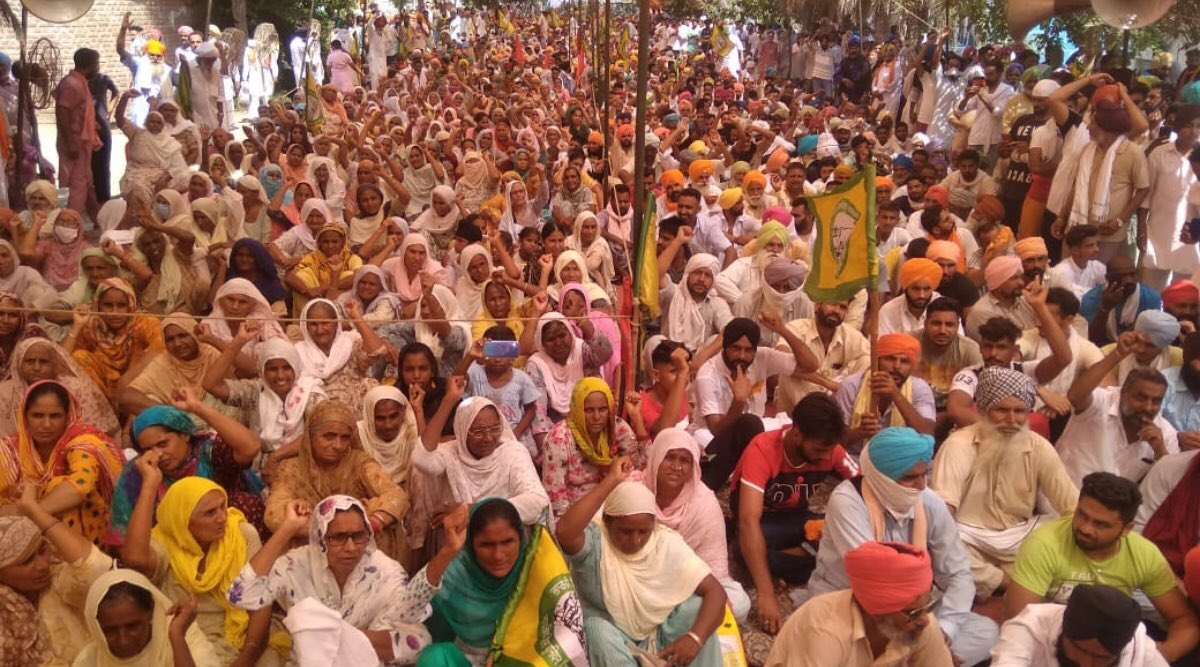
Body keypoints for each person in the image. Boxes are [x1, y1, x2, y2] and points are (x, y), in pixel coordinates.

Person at [231, 496, 466, 664]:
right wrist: (287, 529)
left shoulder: (384, 569)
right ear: (321, 537)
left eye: (358, 536)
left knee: (417, 638)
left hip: (366, 660)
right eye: (339, 537)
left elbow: (408, 620)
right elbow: (242, 595)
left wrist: (341, 636)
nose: (351, 547)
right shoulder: (296, 565)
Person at [1003, 472, 1199, 662]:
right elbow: (1019, 618)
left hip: (1113, 648)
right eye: (1082, 515)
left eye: (1101, 524)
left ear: (1126, 529)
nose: (1086, 528)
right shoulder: (1044, 542)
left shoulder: (1145, 554)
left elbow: (1184, 620)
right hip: (1052, 644)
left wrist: (1159, 655)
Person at [557, 462, 728, 667]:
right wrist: (611, 481)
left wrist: (695, 638)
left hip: (659, 640)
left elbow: (716, 591)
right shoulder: (595, 544)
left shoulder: (665, 542)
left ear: (653, 526)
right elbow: (565, 532)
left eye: (643, 532)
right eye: (625, 531)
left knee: (697, 607)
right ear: (607, 522)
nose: (635, 540)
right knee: (595, 629)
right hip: (614, 644)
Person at [933, 367, 1079, 600]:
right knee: (939, 540)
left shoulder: (1038, 446)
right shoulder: (958, 445)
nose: (1012, 420)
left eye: (1020, 411)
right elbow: (943, 514)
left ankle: (1022, 580)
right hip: (969, 539)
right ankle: (1004, 581)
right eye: (1002, 410)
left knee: (1068, 526)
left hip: (1020, 539)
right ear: (983, 409)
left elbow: (1071, 505)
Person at [120, 476, 287, 666]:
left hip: (242, 637)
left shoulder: (240, 535)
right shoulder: (165, 543)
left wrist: (244, 661)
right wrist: (149, 486)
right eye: (209, 513)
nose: (222, 517)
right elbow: (133, 558)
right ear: (184, 521)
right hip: (186, 639)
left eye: (222, 506)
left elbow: (260, 601)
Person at [732, 393, 857, 633]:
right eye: (819, 449)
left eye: (829, 450)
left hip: (797, 520)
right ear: (797, 433)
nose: (825, 457)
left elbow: (863, 486)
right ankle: (792, 565)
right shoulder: (763, 448)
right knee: (741, 547)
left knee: (841, 532)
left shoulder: (831, 450)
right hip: (763, 522)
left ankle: (781, 561)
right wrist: (766, 593)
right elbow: (748, 520)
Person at [420, 498, 588, 667]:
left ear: (520, 538)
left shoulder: (536, 569)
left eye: (507, 542)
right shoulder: (454, 576)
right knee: (433, 657)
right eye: (486, 545)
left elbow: (561, 635)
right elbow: (431, 629)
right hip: (469, 660)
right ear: (471, 544)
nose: (498, 555)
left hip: (526, 660)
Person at [106, 395, 265, 547]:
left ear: (185, 435)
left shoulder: (208, 451)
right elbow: (127, 545)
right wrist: (149, 484)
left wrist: (197, 407)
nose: (158, 455)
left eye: (163, 444)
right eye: (147, 449)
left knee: (245, 504)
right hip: (174, 550)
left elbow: (250, 447)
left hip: (223, 536)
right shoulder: (139, 472)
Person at [765, 541, 955, 666]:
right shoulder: (824, 630)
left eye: (929, 606)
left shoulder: (919, 621)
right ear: (875, 610)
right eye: (914, 613)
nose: (925, 620)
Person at [264, 400, 409, 561]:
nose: (338, 445)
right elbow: (273, 516)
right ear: (310, 436)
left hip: (355, 546)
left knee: (384, 531)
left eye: (345, 438)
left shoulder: (357, 462)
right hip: (309, 548)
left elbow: (397, 495)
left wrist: (374, 520)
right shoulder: (291, 468)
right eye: (329, 436)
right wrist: (341, 523)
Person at [644, 428, 751, 622]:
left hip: (687, 580)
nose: (676, 467)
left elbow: (712, 564)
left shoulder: (704, 502)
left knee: (740, 603)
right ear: (656, 457)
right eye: (670, 457)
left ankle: (674, 613)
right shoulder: (635, 487)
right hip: (640, 575)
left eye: (684, 461)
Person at [0, 379, 124, 544]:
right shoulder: (9, 450)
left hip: (85, 534)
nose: (46, 424)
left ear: (67, 416)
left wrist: (31, 511)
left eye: (55, 416)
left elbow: (80, 486)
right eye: (37, 415)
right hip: (21, 535)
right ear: (25, 416)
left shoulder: (83, 441)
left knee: (59, 487)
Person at [413, 378, 549, 526]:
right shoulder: (451, 453)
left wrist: (471, 510)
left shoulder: (512, 452)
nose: (488, 438)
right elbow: (421, 459)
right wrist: (449, 400)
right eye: (478, 432)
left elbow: (538, 502)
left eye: (495, 429)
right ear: (462, 430)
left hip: (505, 537)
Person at [1058, 331, 1179, 485]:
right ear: (1123, 392)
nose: (1148, 407)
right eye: (1140, 398)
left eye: (1156, 401)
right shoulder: (1102, 401)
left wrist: (1160, 451)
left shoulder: (1165, 435)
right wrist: (1117, 354)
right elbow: (1075, 397)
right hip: (1061, 500)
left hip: (1111, 508)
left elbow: (1170, 485)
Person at [990, 583, 1167, 666]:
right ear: (1064, 629)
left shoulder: (1141, 650)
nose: (1085, 664)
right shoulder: (1028, 628)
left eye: (1101, 658)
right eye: (1081, 649)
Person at [540, 377, 643, 520]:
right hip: (577, 514)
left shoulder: (617, 427)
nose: (596, 417)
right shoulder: (558, 439)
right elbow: (557, 499)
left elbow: (642, 465)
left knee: (635, 477)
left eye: (602, 409)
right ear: (577, 409)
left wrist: (636, 418)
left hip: (613, 506)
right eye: (588, 410)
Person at [75, 568, 217, 666]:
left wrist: (177, 636)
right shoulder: (90, 661)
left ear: (150, 614)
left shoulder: (187, 641)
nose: (123, 640)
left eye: (132, 626)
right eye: (110, 631)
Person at [65, 278, 166, 402]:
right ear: (98, 305)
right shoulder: (92, 325)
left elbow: (161, 350)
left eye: (121, 305)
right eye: (108, 305)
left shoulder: (145, 322)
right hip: (101, 396)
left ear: (130, 305)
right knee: (79, 357)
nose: (115, 312)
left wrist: (123, 385)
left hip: (136, 389)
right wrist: (77, 326)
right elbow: (62, 360)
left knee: (151, 355)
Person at [0, 337, 118, 437]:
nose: (36, 367)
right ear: (19, 363)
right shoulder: (5, 392)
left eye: (44, 361)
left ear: (55, 364)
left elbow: (91, 433)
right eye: (30, 361)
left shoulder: (76, 388)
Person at [836, 332, 936, 450]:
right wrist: (859, 432)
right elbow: (834, 442)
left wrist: (896, 395)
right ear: (877, 361)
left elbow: (927, 434)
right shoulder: (851, 385)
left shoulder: (919, 388)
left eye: (904, 361)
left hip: (902, 461)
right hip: (856, 460)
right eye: (890, 359)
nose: (897, 366)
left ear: (912, 366)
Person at [55, 48, 102, 216]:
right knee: (74, 186)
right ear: (90, 65)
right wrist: (70, 142)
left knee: (85, 182)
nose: (98, 68)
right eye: (97, 64)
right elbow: (62, 111)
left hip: (81, 142)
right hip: (74, 142)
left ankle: (96, 221)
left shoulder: (79, 82)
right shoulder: (72, 84)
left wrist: (91, 124)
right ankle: (69, 222)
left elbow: (78, 111)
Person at [877, 257, 942, 334]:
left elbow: (957, 342)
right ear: (905, 288)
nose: (922, 295)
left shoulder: (945, 309)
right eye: (916, 289)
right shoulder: (889, 310)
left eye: (927, 289)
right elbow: (881, 343)